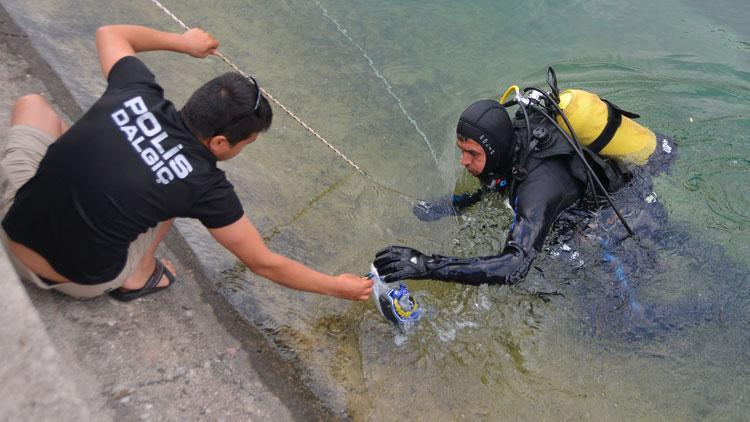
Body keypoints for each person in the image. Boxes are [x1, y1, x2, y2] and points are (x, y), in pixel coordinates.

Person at [0, 24, 372, 301]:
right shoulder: (204, 186)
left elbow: (110, 33)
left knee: (33, 104)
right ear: (221, 142)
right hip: (75, 278)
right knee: (169, 203)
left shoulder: (136, 91)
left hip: (10, 229)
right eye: (247, 143)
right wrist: (336, 287)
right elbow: (263, 263)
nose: (244, 149)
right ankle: (136, 276)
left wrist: (183, 43)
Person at [374, 82, 676, 286]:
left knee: (623, 325)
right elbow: (493, 181)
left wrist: (428, 266)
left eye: (472, 154)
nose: (463, 162)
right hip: (600, 193)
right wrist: (447, 207)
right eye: (461, 151)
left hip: (622, 215)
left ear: (494, 150)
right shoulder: (511, 142)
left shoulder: (538, 189)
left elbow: (515, 266)